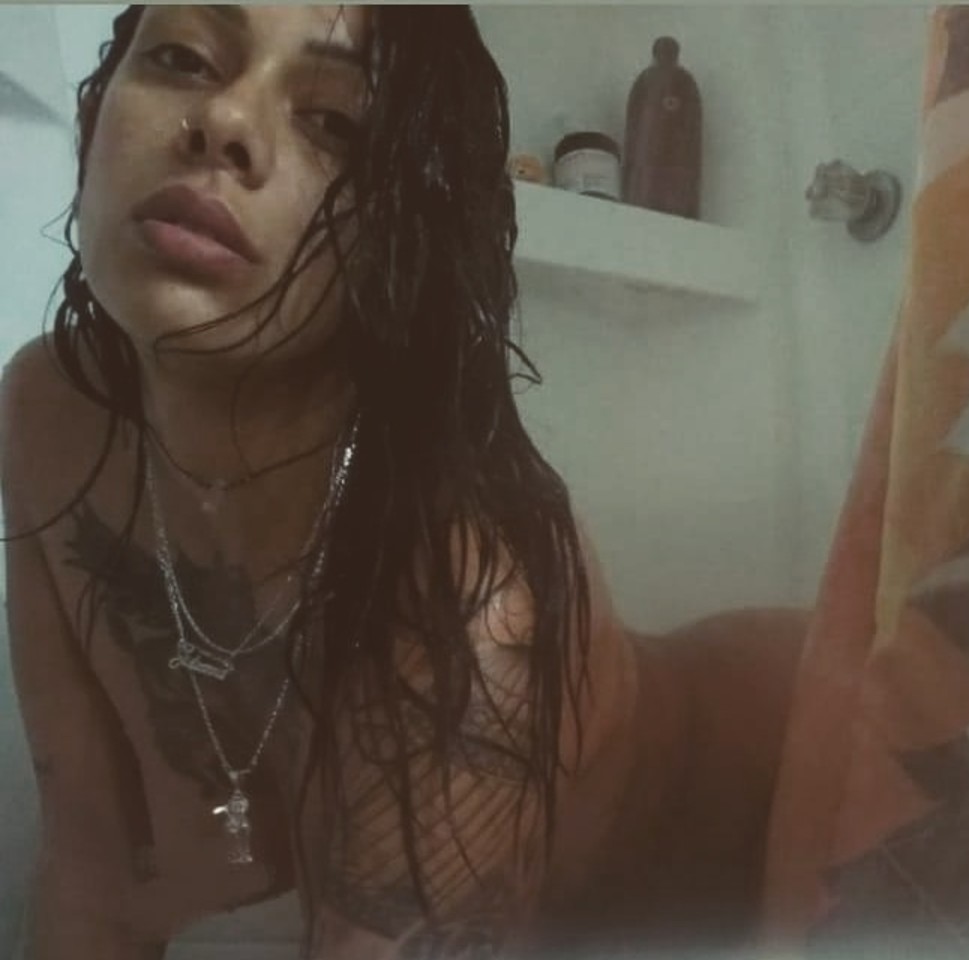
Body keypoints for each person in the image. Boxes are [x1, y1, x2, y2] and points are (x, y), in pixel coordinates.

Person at [3, 6, 805, 958]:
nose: (223, 121)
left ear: (403, 230)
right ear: (96, 108)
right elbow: (94, 873)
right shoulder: (48, 415)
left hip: (800, 765)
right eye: (182, 57)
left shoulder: (464, 589)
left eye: (333, 121)